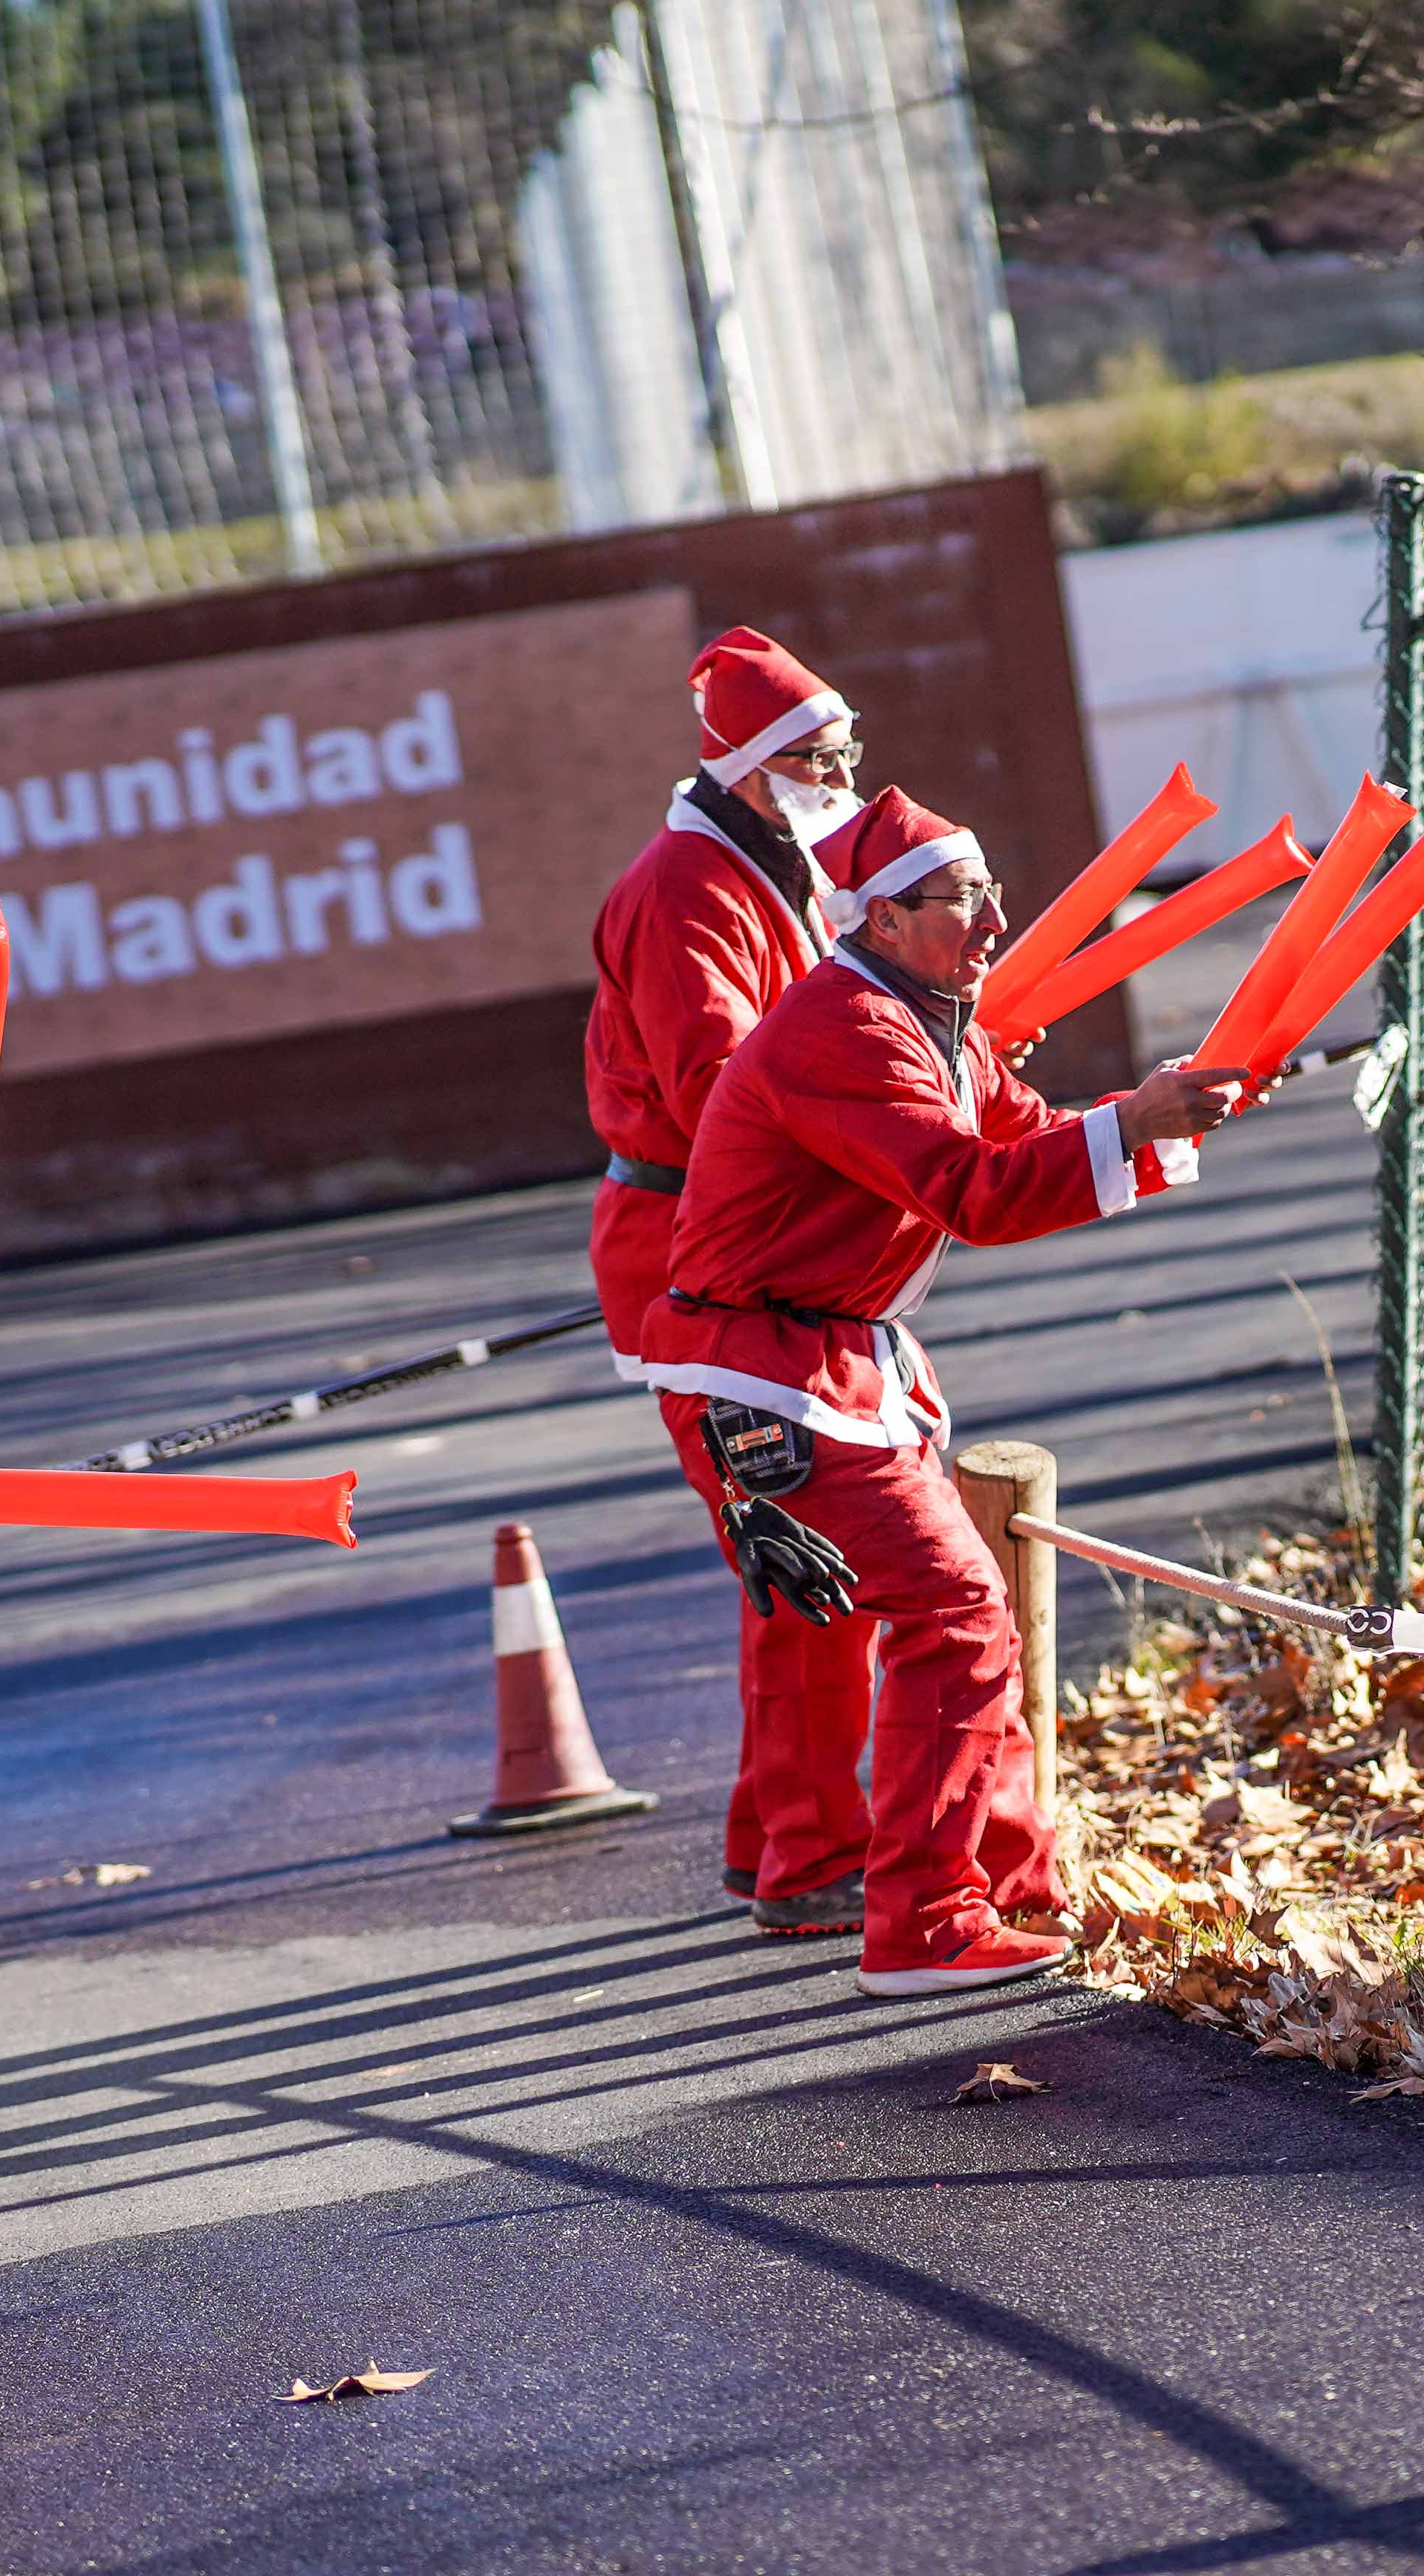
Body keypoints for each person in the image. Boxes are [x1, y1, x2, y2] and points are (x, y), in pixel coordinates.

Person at [640, 791, 1253, 1995]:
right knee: (959, 1619)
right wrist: (1132, 1122)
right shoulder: (847, 1027)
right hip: (768, 1381)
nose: (994, 918)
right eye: (963, 898)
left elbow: (1023, 1136)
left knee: (964, 1619)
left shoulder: (933, 1019)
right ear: (879, 918)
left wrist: (1157, 1116)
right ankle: (921, 1926)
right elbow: (971, 1191)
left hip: (826, 1365)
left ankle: (1015, 1884)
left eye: (987, 891)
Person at [583, 627, 880, 1937]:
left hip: (734, 1241)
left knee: (797, 1545)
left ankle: (780, 1844)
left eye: (846, 755)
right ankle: (811, 1856)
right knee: (806, 1546)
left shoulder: (766, 867)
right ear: (753, 769)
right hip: (703, 1254)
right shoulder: (687, 892)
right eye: (821, 759)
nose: (842, 777)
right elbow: (725, 1093)